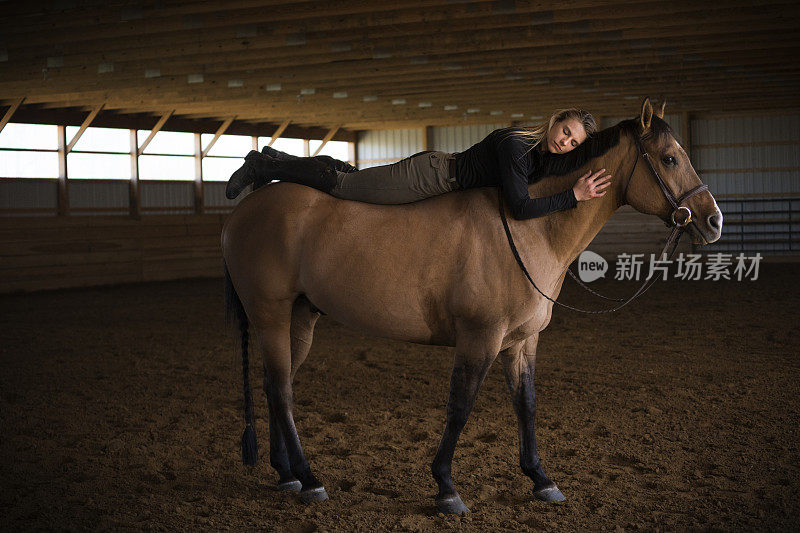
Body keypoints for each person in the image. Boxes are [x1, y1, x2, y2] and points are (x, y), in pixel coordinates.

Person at [225, 108, 612, 220]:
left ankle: (279, 158)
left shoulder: (540, 155)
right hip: (432, 177)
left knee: (354, 176)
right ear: (556, 120)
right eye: (566, 131)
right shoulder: (517, 146)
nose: (565, 142)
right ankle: (262, 165)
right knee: (344, 187)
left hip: (441, 177)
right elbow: (521, 206)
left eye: (573, 143)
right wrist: (574, 197)